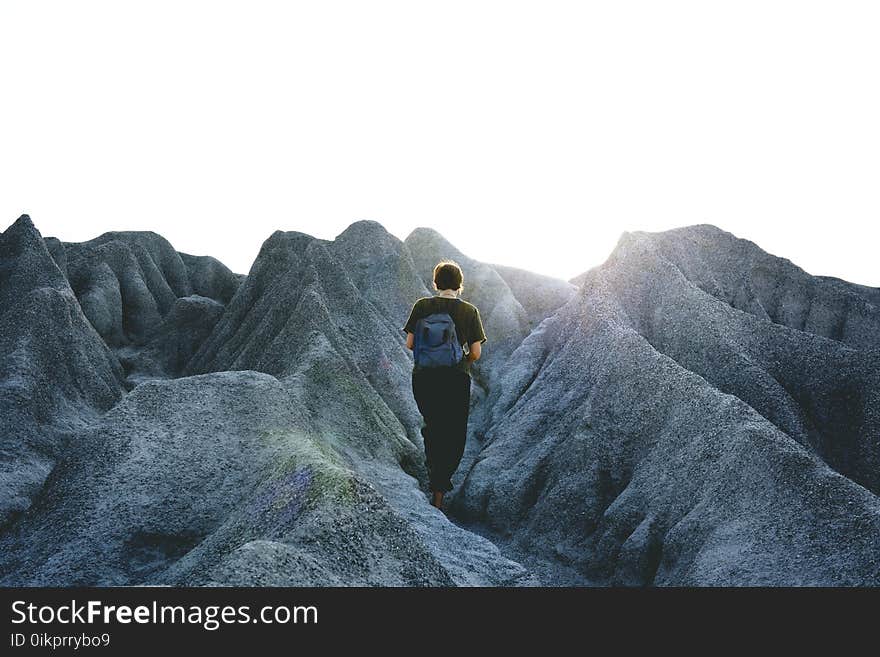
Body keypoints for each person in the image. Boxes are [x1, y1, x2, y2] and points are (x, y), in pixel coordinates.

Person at [402, 260, 487, 510]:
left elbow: (409, 344)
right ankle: (440, 490)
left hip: (425, 378)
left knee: (433, 427)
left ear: (435, 283)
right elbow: (476, 352)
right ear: (460, 285)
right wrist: (463, 362)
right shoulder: (469, 311)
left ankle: (433, 477)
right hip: (455, 379)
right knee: (453, 433)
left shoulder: (422, 306)